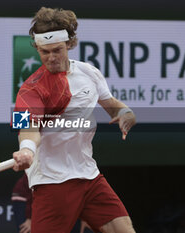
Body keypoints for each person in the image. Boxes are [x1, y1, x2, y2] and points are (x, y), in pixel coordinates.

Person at [12, 7, 137, 233]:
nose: (51, 58)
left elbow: (113, 106)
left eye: (57, 50)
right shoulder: (29, 90)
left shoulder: (90, 72)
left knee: (124, 229)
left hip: (89, 176)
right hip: (52, 182)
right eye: (44, 52)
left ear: (69, 44)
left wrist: (125, 114)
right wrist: (27, 150)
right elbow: (26, 128)